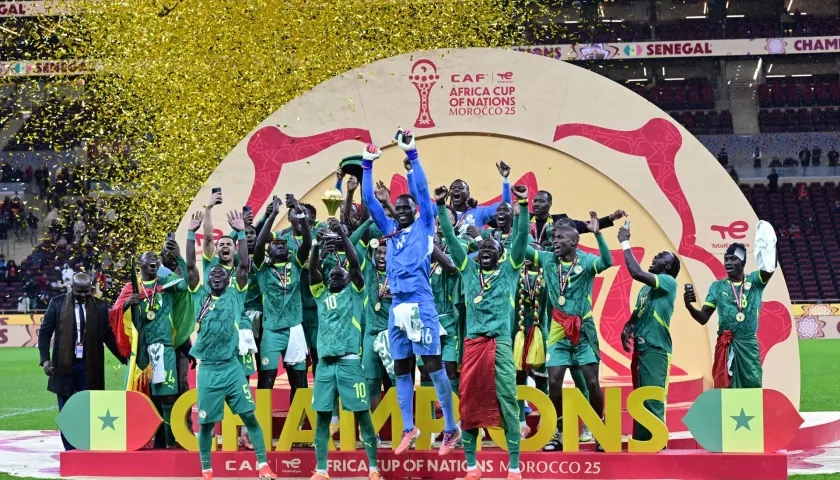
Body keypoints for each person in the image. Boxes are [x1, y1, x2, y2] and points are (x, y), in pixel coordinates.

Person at [360, 133, 459, 455]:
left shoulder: (424, 225)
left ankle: (451, 427)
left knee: (432, 366)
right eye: (397, 208)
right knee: (401, 368)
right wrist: (367, 164)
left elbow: (421, 191)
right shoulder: (389, 230)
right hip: (396, 308)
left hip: (421, 304)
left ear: (415, 211)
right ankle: (408, 427)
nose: (401, 211)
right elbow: (369, 201)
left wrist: (412, 155)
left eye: (406, 208)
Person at [436, 183, 529, 480]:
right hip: (473, 345)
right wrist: (440, 205)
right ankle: (472, 466)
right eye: (483, 248)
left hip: (499, 343)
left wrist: (523, 205)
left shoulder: (509, 270)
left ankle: (514, 466)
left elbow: (522, 237)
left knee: (507, 398)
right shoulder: (467, 269)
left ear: (502, 255)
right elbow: (450, 240)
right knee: (470, 402)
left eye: (493, 248)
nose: (487, 250)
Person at [190, 211, 277, 480]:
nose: (216, 275)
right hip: (208, 371)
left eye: (221, 274)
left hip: (232, 369)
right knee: (205, 424)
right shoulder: (199, 294)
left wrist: (241, 232)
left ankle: (263, 465)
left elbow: (243, 265)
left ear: (229, 280)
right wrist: (190, 233)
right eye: (212, 273)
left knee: (250, 417)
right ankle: (206, 470)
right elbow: (193, 267)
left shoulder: (237, 293)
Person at [527, 212, 613, 451]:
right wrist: (521, 214)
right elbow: (522, 249)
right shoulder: (546, 260)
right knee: (554, 382)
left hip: (583, 329)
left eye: (560, 238)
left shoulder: (586, 262)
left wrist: (598, 235)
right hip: (557, 330)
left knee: (592, 383)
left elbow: (607, 262)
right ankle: (555, 432)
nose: (554, 241)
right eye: (553, 237)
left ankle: (599, 428)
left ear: (574, 242)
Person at [308, 218, 381, 480]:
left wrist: (343, 235)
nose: (334, 274)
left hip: (350, 364)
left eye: (340, 273)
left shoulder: (356, 292)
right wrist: (316, 244)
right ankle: (321, 469)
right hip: (325, 366)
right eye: (331, 274)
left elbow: (354, 265)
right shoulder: (320, 295)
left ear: (349, 278)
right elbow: (313, 271)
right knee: (323, 417)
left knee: (363, 416)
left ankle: (373, 468)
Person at [112, 250, 194, 448]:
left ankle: (169, 441)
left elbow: (187, 285)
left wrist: (180, 260)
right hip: (142, 350)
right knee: (145, 395)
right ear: (139, 264)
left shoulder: (166, 284)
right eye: (149, 259)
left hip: (163, 347)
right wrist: (125, 306)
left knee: (167, 395)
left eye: (156, 259)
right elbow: (113, 313)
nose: (154, 261)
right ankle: (146, 438)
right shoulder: (132, 287)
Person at [38, 273, 126, 451]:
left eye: (87, 292)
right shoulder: (57, 303)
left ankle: (86, 446)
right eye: (79, 291)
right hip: (63, 366)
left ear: (91, 289)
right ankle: (70, 450)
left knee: (89, 409)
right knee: (67, 411)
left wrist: (124, 358)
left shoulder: (100, 307)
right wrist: (45, 359)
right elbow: (45, 332)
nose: (83, 295)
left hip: (90, 366)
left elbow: (107, 336)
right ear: (72, 287)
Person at [684, 239, 775, 388]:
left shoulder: (754, 281)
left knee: (752, 384)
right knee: (724, 386)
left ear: (742, 261)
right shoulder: (717, 287)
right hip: (725, 344)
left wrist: (767, 242)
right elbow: (703, 318)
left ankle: (751, 411)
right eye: (726, 259)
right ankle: (726, 412)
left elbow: (769, 268)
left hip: (747, 345)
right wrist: (689, 306)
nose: (728, 263)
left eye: (733, 259)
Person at [618, 226, 680, 445]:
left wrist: (625, 242)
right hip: (641, 350)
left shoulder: (668, 282)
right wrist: (628, 327)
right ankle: (642, 444)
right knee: (639, 399)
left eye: (661, 257)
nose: (655, 257)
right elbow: (637, 314)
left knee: (652, 398)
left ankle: (657, 444)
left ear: (669, 266)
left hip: (656, 349)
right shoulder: (646, 290)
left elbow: (636, 272)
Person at [253, 195, 311, 396]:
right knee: (266, 381)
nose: (281, 245)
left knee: (299, 383)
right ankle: (261, 425)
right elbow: (259, 244)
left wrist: (299, 211)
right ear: (269, 251)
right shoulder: (262, 269)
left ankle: (300, 424)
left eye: (284, 244)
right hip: (272, 331)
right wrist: (273, 215)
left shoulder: (295, 263)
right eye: (276, 244)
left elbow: (308, 241)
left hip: (295, 328)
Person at [530, 190, 625, 249]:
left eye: (541, 201)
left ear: (550, 204)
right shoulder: (525, 219)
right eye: (535, 201)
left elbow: (588, 226)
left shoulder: (560, 220)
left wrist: (611, 218)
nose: (537, 204)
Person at [447, 162, 512, 228]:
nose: (456, 190)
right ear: (449, 194)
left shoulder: (479, 212)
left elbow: (506, 206)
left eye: (461, 188)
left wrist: (505, 179)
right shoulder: (444, 214)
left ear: (468, 194)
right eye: (453, 188)